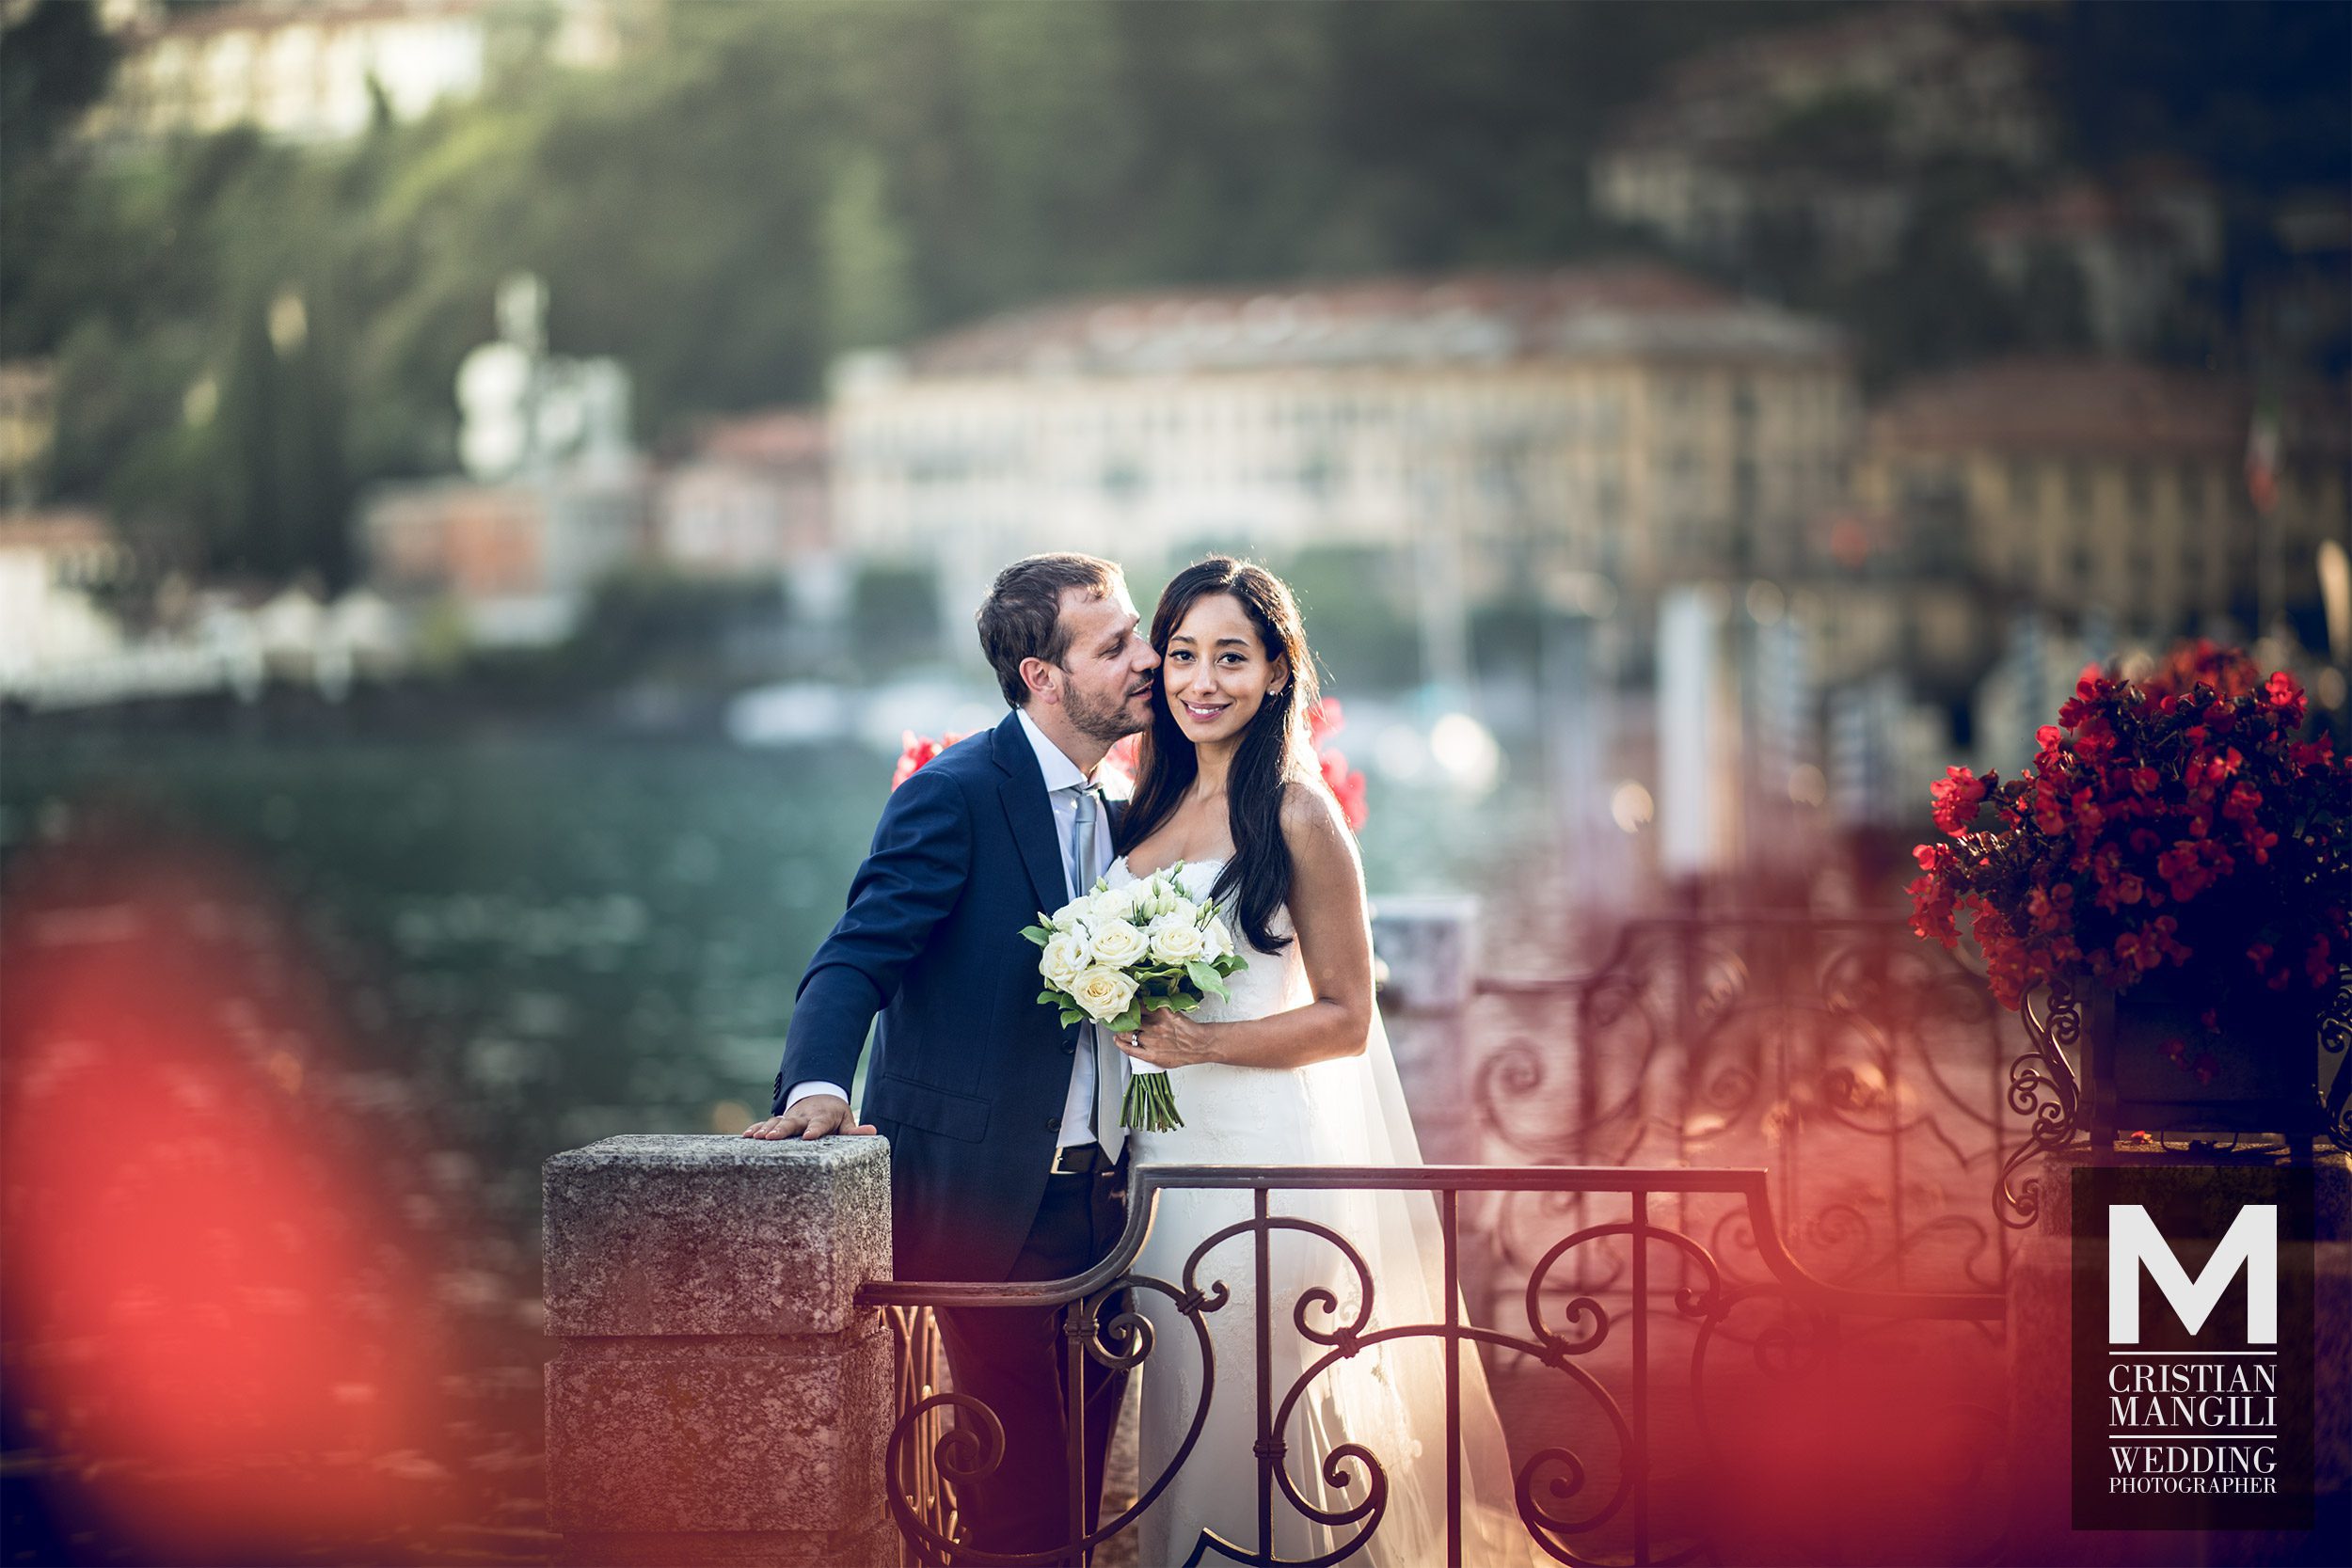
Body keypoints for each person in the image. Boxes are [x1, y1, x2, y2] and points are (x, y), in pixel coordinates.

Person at [1107, 556, 1533, 1567]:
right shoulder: (1136, 811)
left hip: (1266, 1162)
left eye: (1230, 657)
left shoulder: (1297, 813)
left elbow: (1347, 1015)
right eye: (1181, 655)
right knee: (1184, 1401)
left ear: (1274, 673)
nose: (1201, 680)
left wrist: (1202, 1041)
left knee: (1270, 1411)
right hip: (1161, 1166)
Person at [742, 552, 1158, 1562]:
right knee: (1015, 1522)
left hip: (1110, 1214)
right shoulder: (954, 793)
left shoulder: (1119, 809)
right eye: (1117, 645)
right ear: (1041, 678)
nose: (1147, 659)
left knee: (1075, 1509)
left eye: (1138, 630)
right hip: (993, 1213)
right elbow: (857, 953)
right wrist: (818, 1085)